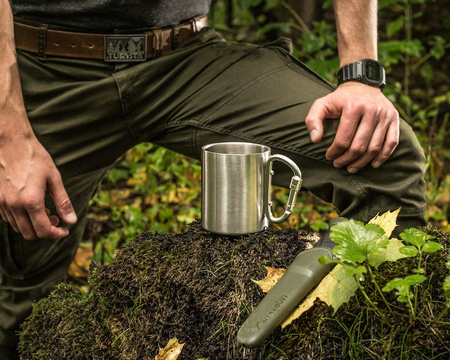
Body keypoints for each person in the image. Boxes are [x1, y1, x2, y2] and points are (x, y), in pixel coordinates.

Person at [0, 0, 427, 358]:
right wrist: (9, 137)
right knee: (23, 292)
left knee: (383, 155)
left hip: (187, 57)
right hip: (41, 65)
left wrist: (360, 75)